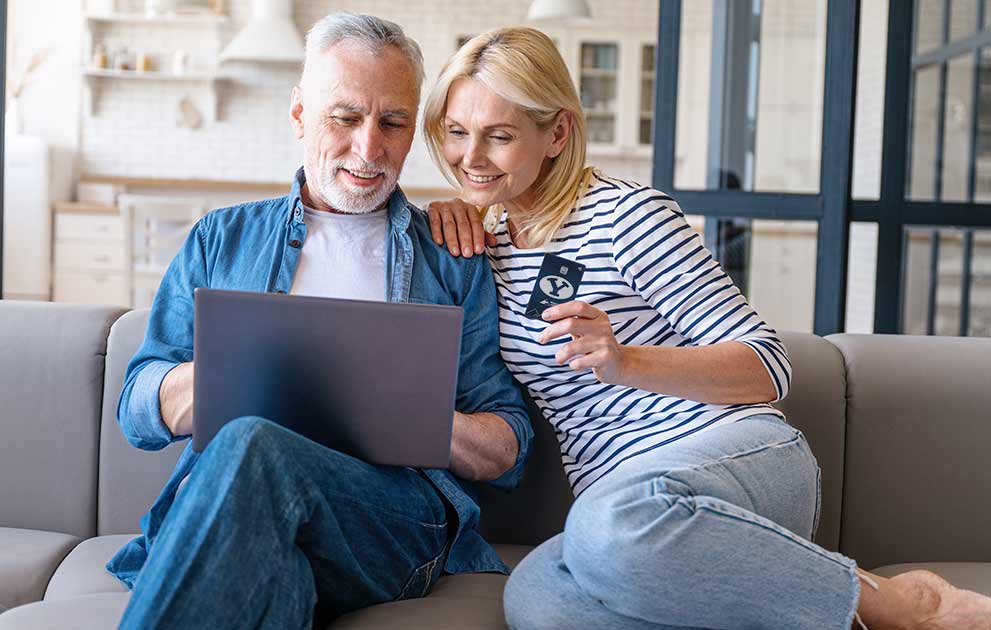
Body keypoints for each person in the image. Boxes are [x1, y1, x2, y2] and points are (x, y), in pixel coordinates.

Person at [423, 26, 991, 630]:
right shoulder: (486, 245)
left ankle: (897, 605)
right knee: (538, 598)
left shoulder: (627, 216)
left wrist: (626, 361)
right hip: (628, 517)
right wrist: (442, 207)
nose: (471, 156)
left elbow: (769, 365)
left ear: (557, 133)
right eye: (457, 132)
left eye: (500, 136)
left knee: (608, 524)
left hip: (733, 461)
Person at [106, 13, 533, 629]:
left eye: (393, 122)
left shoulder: (451, 257)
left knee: (255, 444)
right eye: (345, 117)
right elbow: (137, 409)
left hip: (389, 522)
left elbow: (509, 444)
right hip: (240, 507)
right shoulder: (221, 240)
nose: (369, 148)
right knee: (277, 568)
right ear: (300, 113)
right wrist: (222, 378)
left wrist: (403, 414)